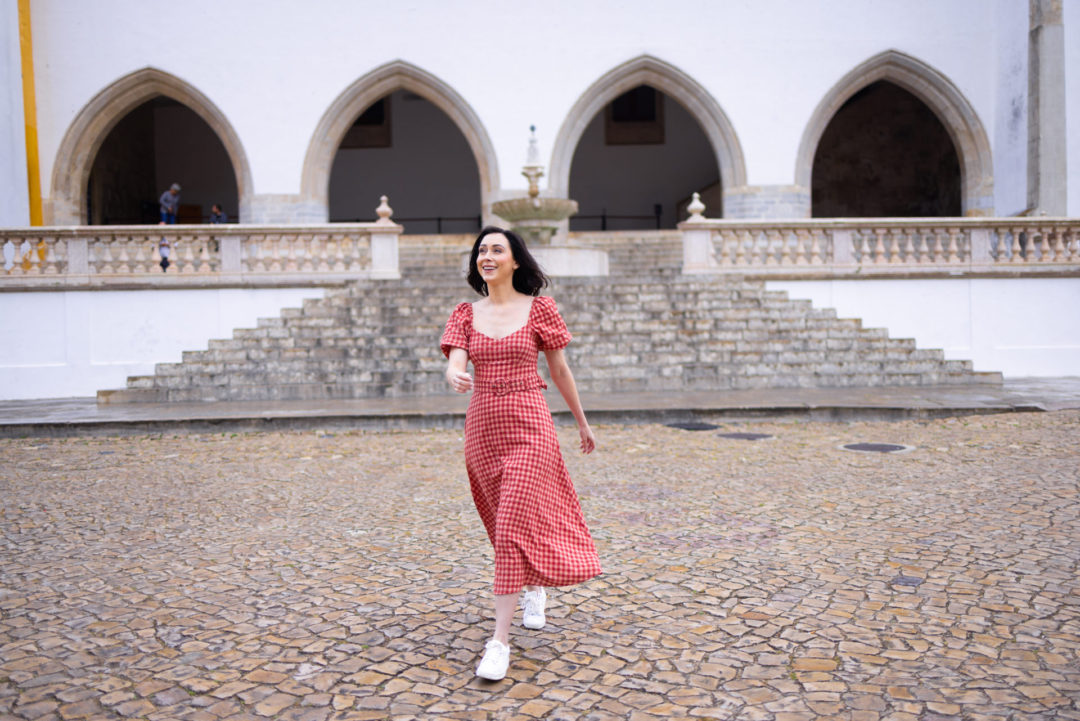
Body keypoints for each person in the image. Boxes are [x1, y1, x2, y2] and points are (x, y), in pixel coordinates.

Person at [440, 226, 602, 681]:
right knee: (501, 522)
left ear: (515, 261)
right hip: (483, 430)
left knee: (511, 520)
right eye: (482, 250)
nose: (487, 256)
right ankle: (530, 584)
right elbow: (455, 358)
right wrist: (455, 373)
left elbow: (561, 370)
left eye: (497, 249)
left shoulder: (540, 309)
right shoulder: (465, 313)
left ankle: (499, 643)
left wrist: (582, 422)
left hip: (531, 427)